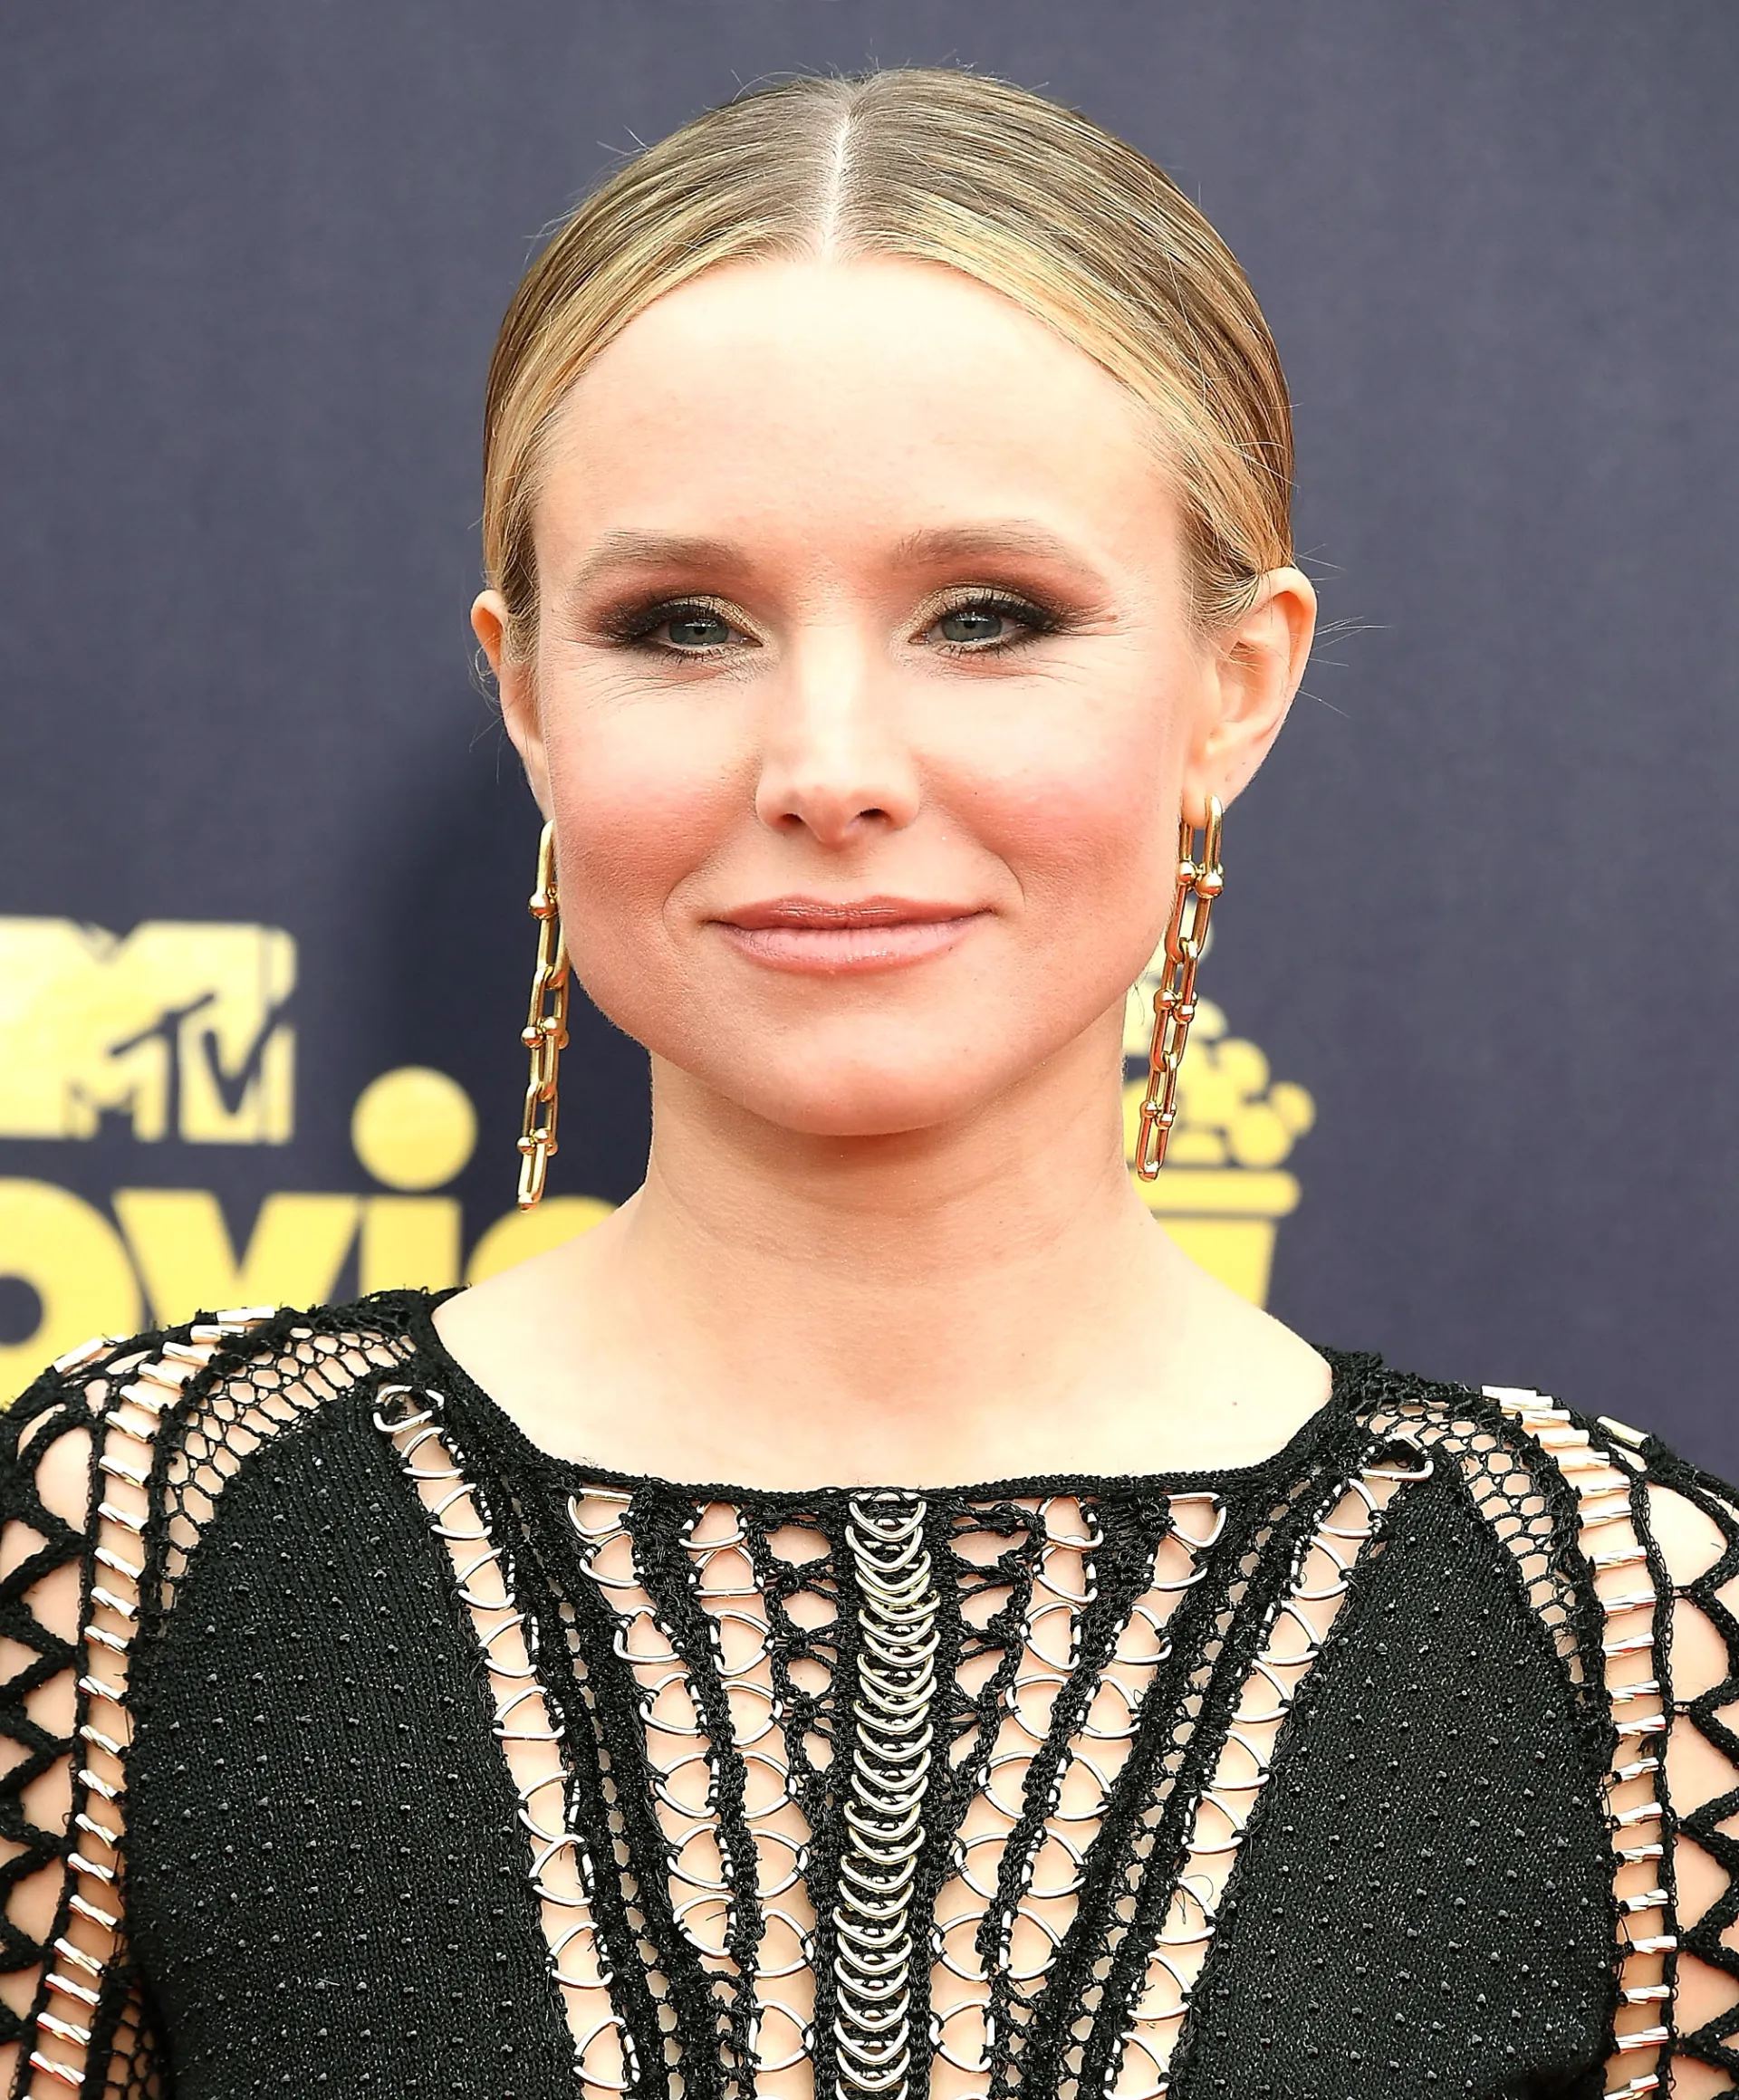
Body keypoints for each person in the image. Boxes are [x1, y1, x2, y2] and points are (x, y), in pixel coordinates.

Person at [0, 66, 1733, 2100]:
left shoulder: (1624, 1629)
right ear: (528, 693)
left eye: (988, 618)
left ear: (1235, 685)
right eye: (682, 625)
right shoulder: (137, 1539)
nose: (828, 767)